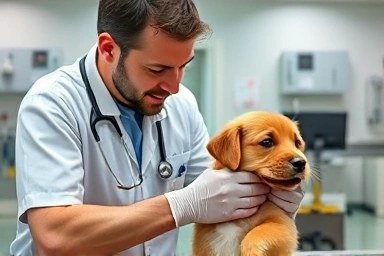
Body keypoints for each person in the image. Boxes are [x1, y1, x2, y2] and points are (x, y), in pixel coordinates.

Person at [9, 0, 305, 255]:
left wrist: (271, 197)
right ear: (108, 48)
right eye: (157, 69)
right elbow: (54, 236)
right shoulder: (53, 103)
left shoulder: (182, 104)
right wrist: (181, 206)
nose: (174, 86)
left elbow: (220, 192)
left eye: (183, 66)